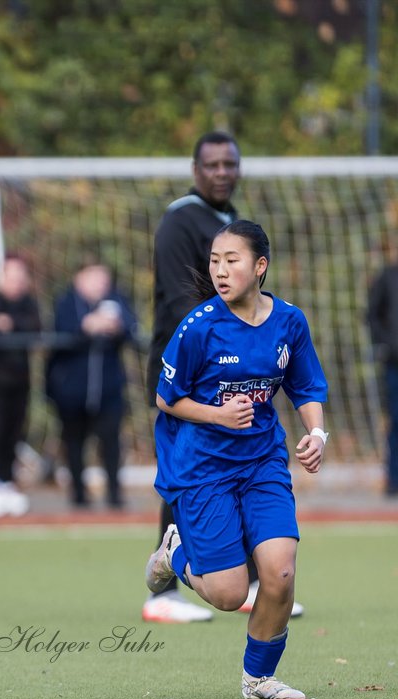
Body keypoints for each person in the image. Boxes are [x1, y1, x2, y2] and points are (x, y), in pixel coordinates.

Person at [145, 220, 327, 699]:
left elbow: (305, 386)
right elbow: (167, 399)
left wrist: (318, 433)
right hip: (203, 467)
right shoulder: (198, 327)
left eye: (232, 261)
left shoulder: (289, 321)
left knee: (280, 572)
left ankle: (258, 678)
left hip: (263, 460)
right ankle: (175, 553)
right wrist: (219, 415)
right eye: (214, 261)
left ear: (260, 266)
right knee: (228, 595)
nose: (221, 271)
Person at [143, 131, 303, 623]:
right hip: (191, 376)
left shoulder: (230, 223)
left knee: (240, 468)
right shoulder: (178, 220)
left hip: (233, 372)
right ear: (195, 170)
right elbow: (179, 301)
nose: (221, 172)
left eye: (229, 164)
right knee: (193, 471)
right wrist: (231, 349)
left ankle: (252, 579)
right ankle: (163, 591)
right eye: (211, 164)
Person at [44, 260, 136, 509]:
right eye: (95, 279)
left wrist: (116, 327)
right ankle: (78, 494)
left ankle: (114, 494)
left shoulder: (116, 300)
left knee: (111, 443)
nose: (101, 285)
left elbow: (131, 327)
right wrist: (85, 328)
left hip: (108, 390)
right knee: (74, 442)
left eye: (104, 280)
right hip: (71, 391)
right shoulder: (66, 302)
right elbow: (60, 333)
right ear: (80, 278)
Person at [0, 254, 41, 518]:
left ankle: (7, 483)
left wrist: (12, 325)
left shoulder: (29, 304)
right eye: (10, 276)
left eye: (20, 277)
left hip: (20, 381)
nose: (15, 282)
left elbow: (34, 329)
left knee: (15, 433)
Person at [366, 260, 398, 497]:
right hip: (394, 364)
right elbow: (371, 315)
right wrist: (387, 345)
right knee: (396, 420)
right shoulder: (387, 276)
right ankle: (394, 480)